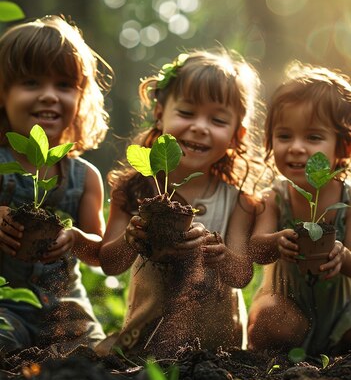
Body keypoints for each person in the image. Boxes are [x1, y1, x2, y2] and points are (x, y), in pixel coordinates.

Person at [96, 49, 261, 358]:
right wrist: (131, 239)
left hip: (216, 349)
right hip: (145, 343)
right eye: (186, 113)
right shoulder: (133, 190)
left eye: (217, 119)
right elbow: (109, 264)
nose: (200, 126)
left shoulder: (238, 200)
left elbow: (242, 275)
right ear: (159, 113)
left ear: (237, 134)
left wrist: (220, 253)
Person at [0, 14, 113, 353]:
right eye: (31, 83)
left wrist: (78, 239)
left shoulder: (84, 177)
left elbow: (101, 255)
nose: (49, 96)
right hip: (4, 303)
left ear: (80, 99)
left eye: (64, 85)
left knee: (92, 356)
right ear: (3, 94)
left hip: (66, 309)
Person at [248, 61, 351, 356]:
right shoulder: (275, 197)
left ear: (343, 147)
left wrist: (342, 257)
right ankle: (269, 361)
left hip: (341, 317)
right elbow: (255, 248)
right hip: (286, 310)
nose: (296, 147)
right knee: (272, 319)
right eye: (284, 136)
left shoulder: (347, 201)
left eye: (313, 137)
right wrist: (276, 242)